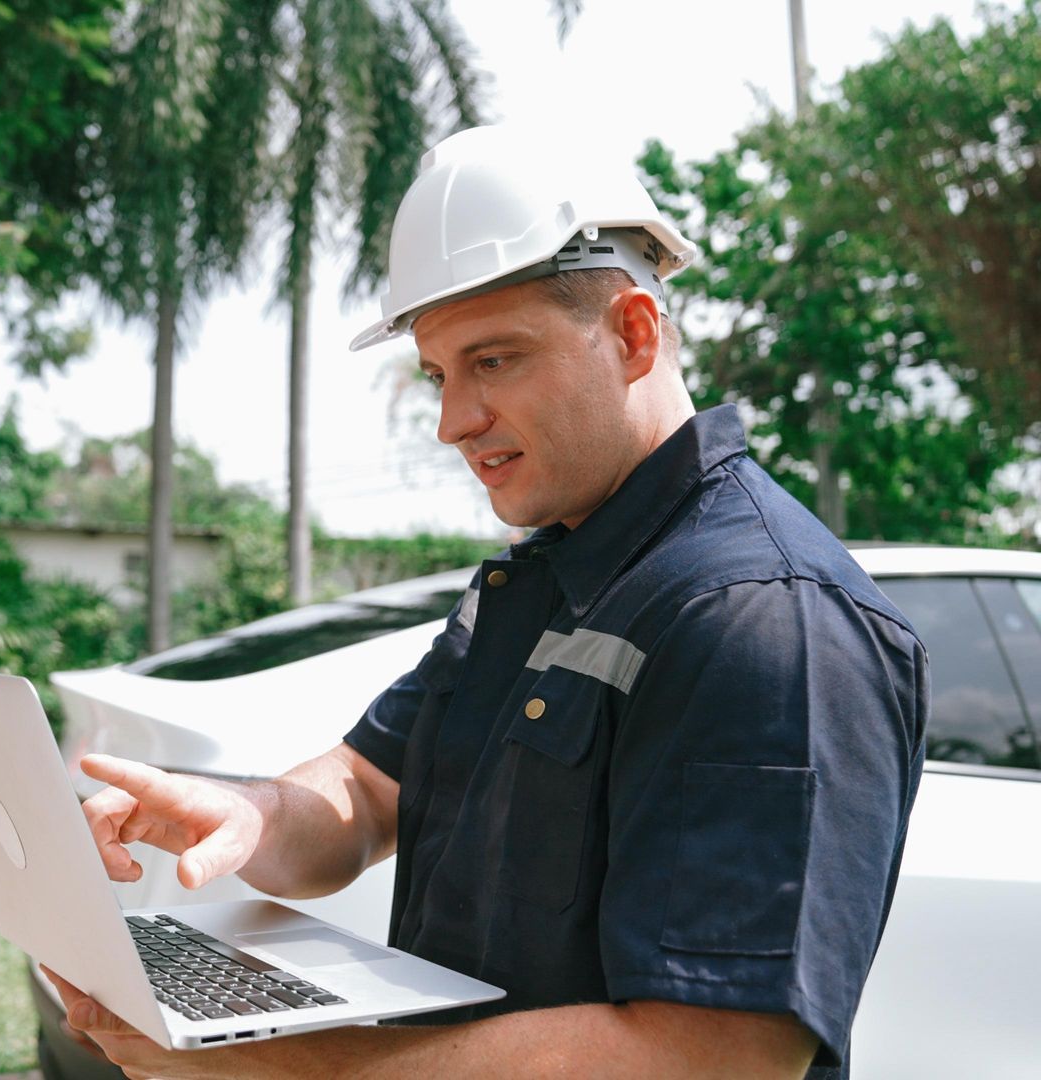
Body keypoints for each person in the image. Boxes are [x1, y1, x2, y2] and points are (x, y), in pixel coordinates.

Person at [51, 125, 928, 1079]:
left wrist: (294, 1067)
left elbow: (711, 1056)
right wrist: (245, 813)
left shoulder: (763, 617)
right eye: (439, 372)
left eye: (495, 360)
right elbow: (365, 791)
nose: (451, 421)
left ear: (633, 334)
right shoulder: (540, 577)